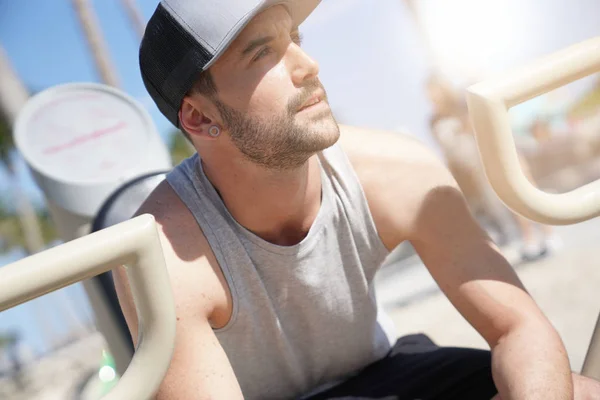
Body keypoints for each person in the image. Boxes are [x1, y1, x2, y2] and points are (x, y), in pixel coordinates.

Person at [114, 1, 600, 399]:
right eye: (262, 54)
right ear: (198, 119)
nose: (308, 66)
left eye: (294, 41)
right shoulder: (161, 255)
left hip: (389, 372)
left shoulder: (395, 171)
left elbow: (519, 327)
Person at [425, 74, 558, 262]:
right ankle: (530, 238)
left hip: (497, 145)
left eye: (434, 92)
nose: (432, 98)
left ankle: (549, 234)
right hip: (480, 160)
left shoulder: (461, 104)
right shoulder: (435, 119)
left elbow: (480, 121)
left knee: (527, 187)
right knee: (510, 197)